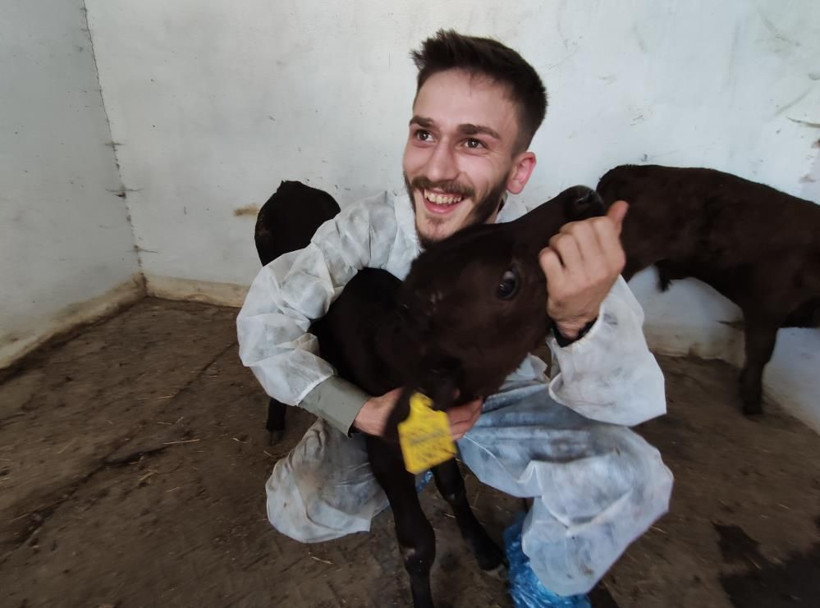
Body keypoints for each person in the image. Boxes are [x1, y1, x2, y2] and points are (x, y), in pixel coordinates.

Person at [237, 30, 673, 603]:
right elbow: (267, 325)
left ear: (519, 171)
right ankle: (415, 462)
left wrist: (577, 322)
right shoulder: (367, 228)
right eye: (424, 134)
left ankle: (540, 570)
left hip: (497, 402)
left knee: (631, 475)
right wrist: (360, 411)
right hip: (392, 397)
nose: (436, 170)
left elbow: (626, 403)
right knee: (298, 505)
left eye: (473, 142)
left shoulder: (553, 248)